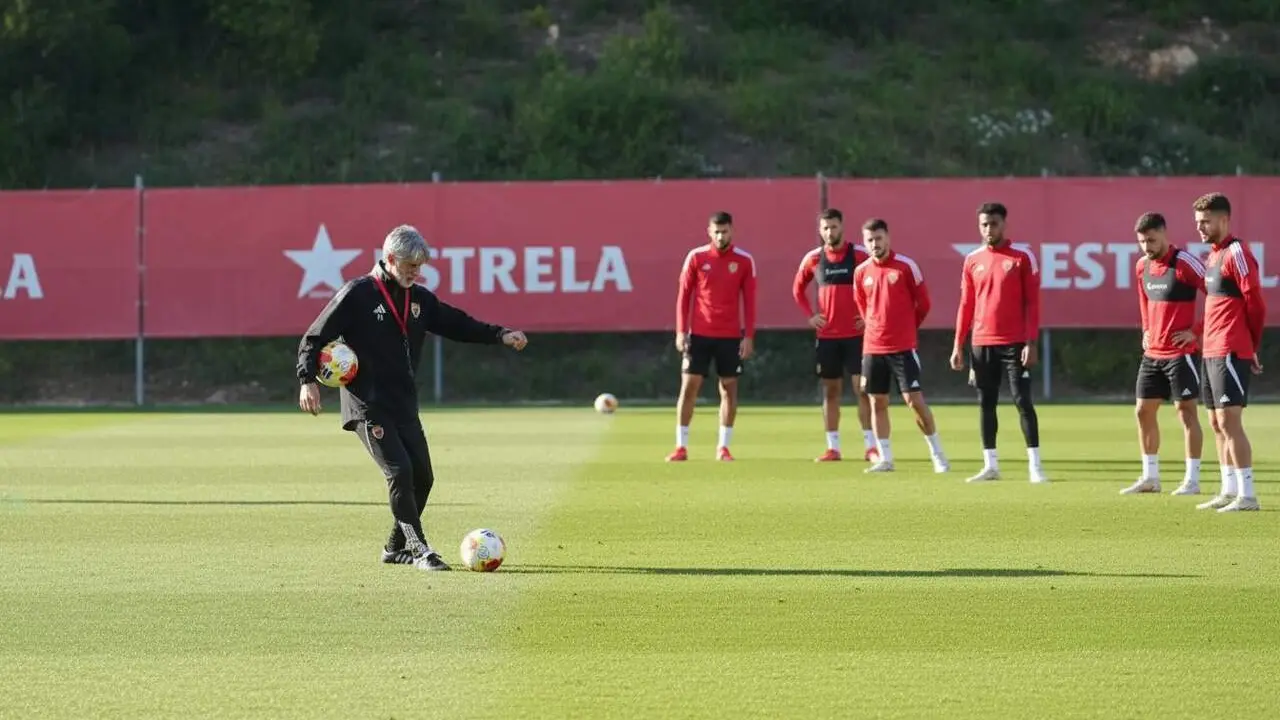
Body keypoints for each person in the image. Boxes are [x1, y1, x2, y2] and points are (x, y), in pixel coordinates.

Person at [296, 225, 528, 570]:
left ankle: (394, 547)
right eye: (409, 266)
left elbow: (457, 323)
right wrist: (307, 380)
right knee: (400, 472)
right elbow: (314, 337)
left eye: (419, 267)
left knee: (424, 478)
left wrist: (500, 335)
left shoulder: (418, 298)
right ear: (390, 258)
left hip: (403, 403)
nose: (415, 273)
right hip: (368, 404)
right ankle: (420, 550)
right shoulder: (357, 294)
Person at [950, 202, 1048, 484]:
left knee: (1022, 401)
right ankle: (990, 465)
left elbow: (1033, 303)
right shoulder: (972, 260)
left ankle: (1035, 466)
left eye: (993, 223)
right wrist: (959, 345)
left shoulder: (1022, 257)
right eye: (983, 224)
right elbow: (966, 305)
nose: (988, 229)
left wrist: (1031, 341)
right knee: (986, 403)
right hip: (982, 344)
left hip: (1015, 343)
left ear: (1004, 224)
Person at [852, 218, 949, 474]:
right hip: (873, 348)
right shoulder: (861, 272)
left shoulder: (906, 267)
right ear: (865, 242)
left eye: (879, 238)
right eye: (870, 240)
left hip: (902, 348)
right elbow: (863, 308)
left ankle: (937, 454)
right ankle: (885, 458)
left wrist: (907, 328)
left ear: (888, 238)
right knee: (877, 402)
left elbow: (924, 304)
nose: (875, 244)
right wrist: (875, 328)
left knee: (914, 401)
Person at [1122, 212, 1207, 496]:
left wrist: (1196, 331)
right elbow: (1143, 301)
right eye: (1142, 242)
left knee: (1186, 413)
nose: (1147, 247)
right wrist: (1146, 330)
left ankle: (1192, 480)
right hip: (1153, 353)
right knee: (1143, 411)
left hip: (1181, 354)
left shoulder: (1184, 262)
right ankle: (1150, 477)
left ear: (1164, 234)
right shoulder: (1141, 266)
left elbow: (1219, 293)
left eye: (1151, 240)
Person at [1191, 193, 1265, 512]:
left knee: (1229, 419)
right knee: (1215, 422)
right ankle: (1228, 488)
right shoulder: (1212, 256)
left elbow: (1256, 304)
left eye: (1206, 221)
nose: (1201, 228)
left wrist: (1252, 344)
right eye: (1197, 223)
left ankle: (1248, 495)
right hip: (1210, 349)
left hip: (1231, 348)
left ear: (1224, 220)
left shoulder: (1237, 253)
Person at [668, 211, 757, 462]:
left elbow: (749, 302)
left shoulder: (744, 261)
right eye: (716, 232)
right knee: (689, 387)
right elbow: (683, 296)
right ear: (709, 232)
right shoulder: (696, 257)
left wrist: (748, 336)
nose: (721, 236)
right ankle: (681, 446)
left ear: (732, 231)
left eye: (725, 231)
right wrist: (681, 331)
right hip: (699, 335)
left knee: (729, 388)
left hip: (729, 336)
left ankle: (723, 447)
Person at [792, 207, 878, 463]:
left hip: (856, 336)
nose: (830, 232)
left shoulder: (860, 255)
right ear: (820, 231)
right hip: (828, 337)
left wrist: (868, 316)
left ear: (842, 227)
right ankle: (833, 447)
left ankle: (871, 446)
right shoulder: (813, 259)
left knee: (862, 389)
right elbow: (798, 289)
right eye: (825, 228)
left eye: (834, 227)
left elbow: (878, 283)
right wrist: (810, 314)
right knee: (831, 391)